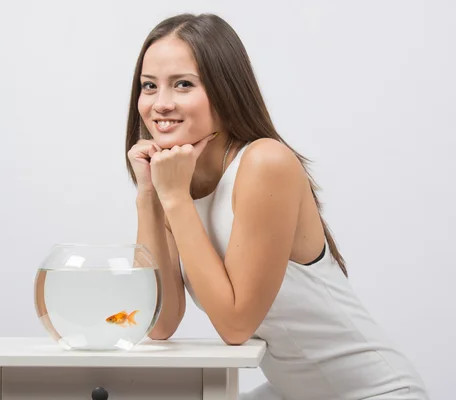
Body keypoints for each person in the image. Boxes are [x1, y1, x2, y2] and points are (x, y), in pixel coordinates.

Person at [124, 13, 429, 400]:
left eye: (183, 84)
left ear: (225, 89)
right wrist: (150, 195)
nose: (160, 104)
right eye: (149, 86)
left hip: (373, 393)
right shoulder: (176, 178)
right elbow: (159, 322)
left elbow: (235, 326)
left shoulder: (266, 163)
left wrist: (174, 198)